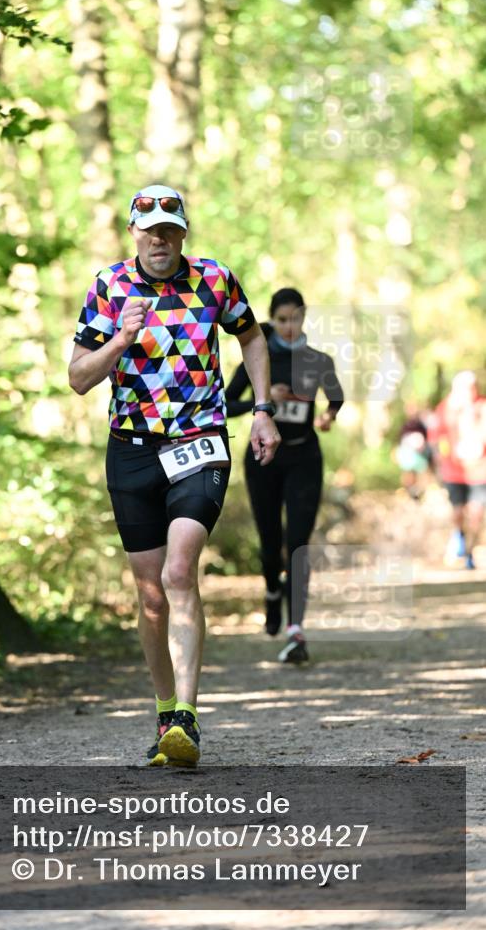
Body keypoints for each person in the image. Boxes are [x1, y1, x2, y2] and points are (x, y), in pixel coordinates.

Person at [68, 184, 280, 765]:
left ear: (183, 232)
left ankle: (186, 715)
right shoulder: (109, 287)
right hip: (132, 449)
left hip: (199, 441)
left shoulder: (214, 279)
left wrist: (262, 411)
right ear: (134, 232)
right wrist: (120, 337)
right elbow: (79, 377)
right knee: (150, 593)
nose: (160, 238)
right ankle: (165, 714)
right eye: (149, 229)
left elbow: (252, 337)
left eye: (171, 228)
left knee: (179, 568)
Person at [225, 287, 344, 664]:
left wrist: (329, 415)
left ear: (303, 318)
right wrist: (264, 403)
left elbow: (335, 395)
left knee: (298, 543)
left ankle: (296, 630)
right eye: (281, 319)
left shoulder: (317, 360)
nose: (289, 326)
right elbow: (226, 403)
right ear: (272, 319)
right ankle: (272, 591)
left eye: (295, 318)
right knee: (269, 541)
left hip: (304, 458)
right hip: (264, 459)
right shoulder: (257, 357)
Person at [427, 371, 486, 570]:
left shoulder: (483, 406)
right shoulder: (445, 408)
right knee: (458, 511)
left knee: (477, 513)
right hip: (454, 470)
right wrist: (440, 460)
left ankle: (470, 550)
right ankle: (459, 537)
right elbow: (435, 439)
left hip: (480, 471)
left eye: (473, 386)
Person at [394, 402, 433, 501]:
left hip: (419, 454)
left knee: (422, 473)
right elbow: (400, 440)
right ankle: (411, 491)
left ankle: (421, 491)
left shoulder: (421, 425)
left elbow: (426, 438)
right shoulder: (405, 425)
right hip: (408, 455)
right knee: (409, 474)